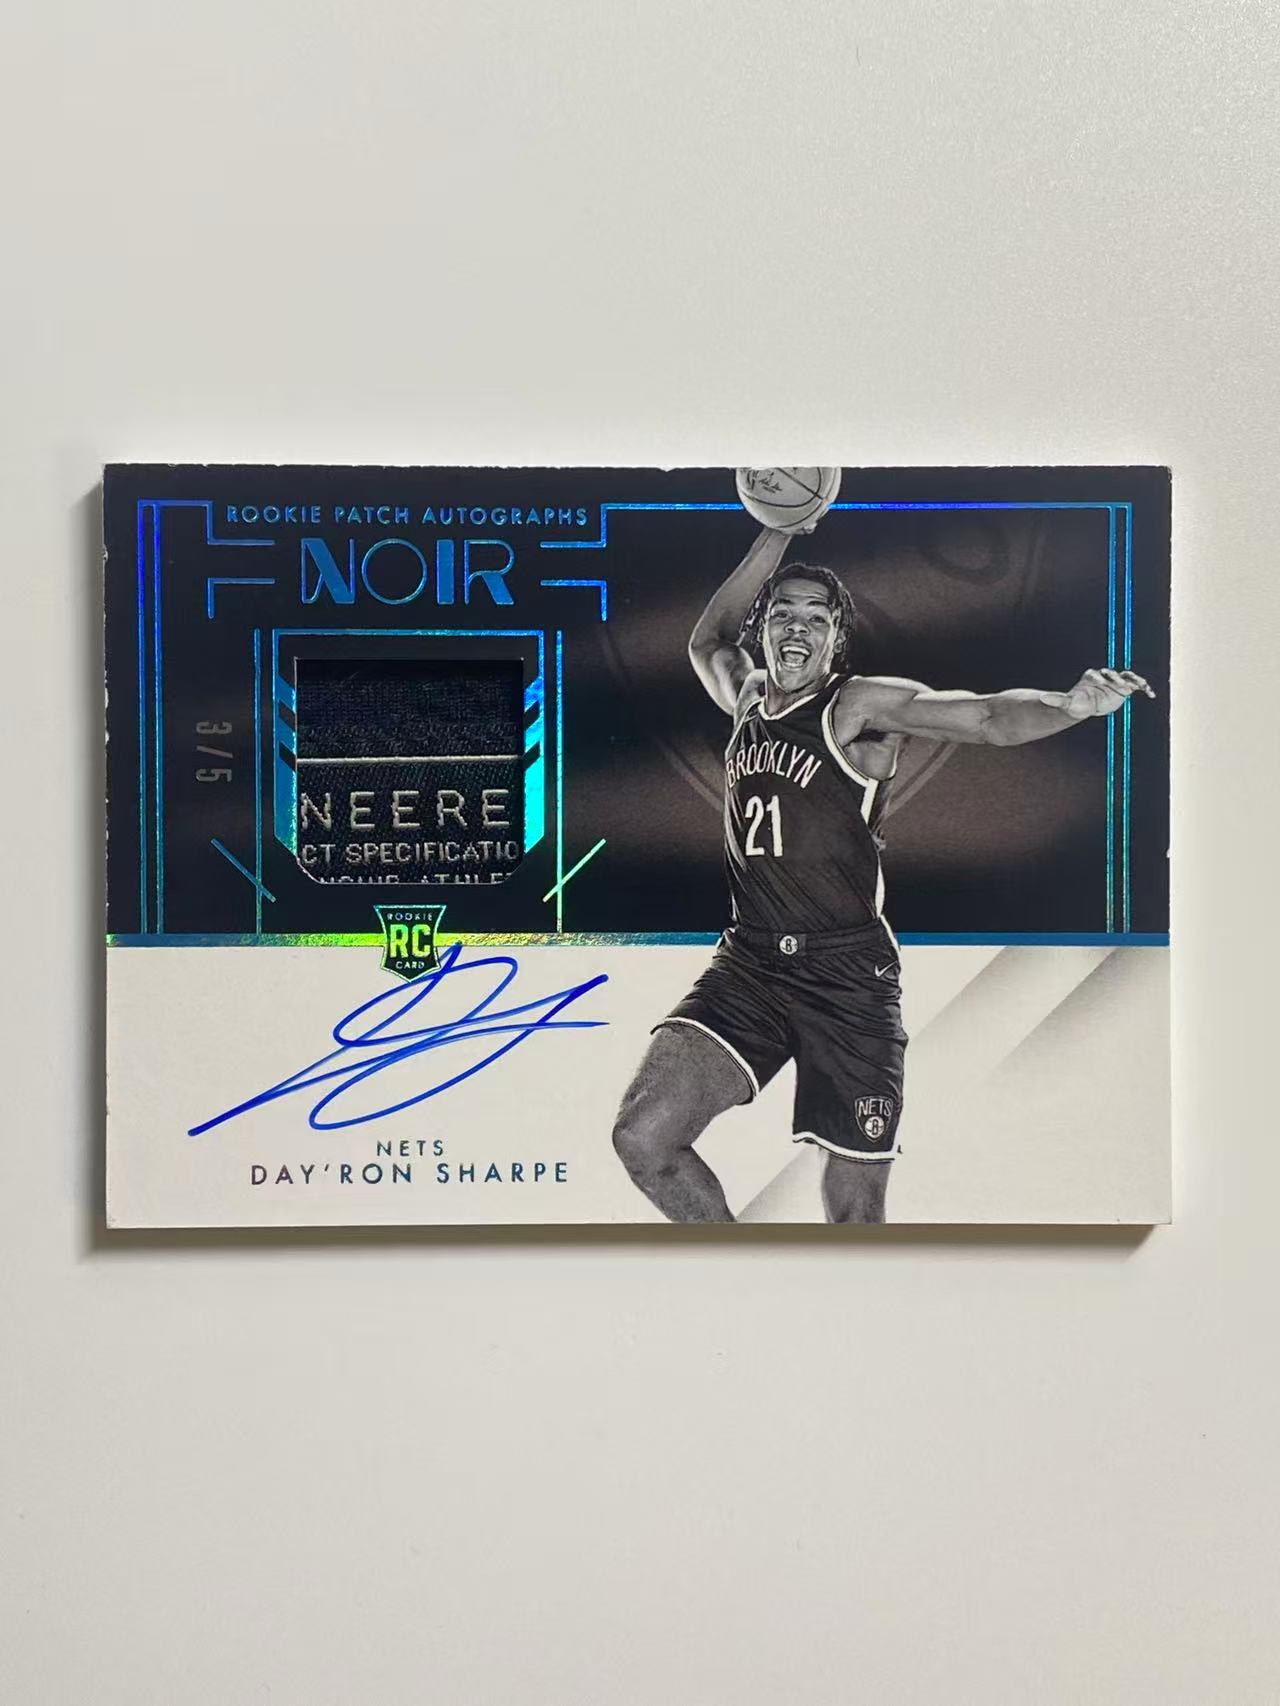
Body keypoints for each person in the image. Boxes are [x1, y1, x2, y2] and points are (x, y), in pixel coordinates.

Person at [612, 523, 1154, 1224]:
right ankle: (741, 1279)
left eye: (817, 618)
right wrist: (776, 533)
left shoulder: (857, 707)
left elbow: (986, 718)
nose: (798, 627)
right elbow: (707, 640)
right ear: (764, 630)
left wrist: (1068, 705)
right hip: (749, 965)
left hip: (848, 977)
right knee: (644, 1138)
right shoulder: (747, 697)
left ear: (837, 639)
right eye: (783, 613)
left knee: (855, 1213)